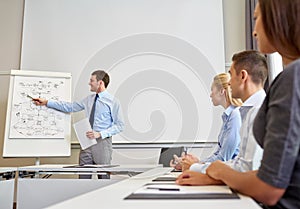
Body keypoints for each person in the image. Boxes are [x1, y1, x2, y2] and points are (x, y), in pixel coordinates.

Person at [203, 1, 300, 208]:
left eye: (257, 19)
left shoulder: (293, 78)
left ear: (279, 19)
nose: (254, 31)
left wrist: (219, 170)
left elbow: (269, 187)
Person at [176, 50, 268, 185]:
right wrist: (200, 167)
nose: (229, 83)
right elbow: (238, 163)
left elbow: (246, 169)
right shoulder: (249, 111)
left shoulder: (257, 112)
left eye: (231, 75)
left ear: (243, 76)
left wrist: (197, 167)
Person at [34, 70, 124, 178]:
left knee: (103, 179)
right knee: (83, 178)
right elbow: (69, 107)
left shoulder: (113, 102)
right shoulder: (88, 100)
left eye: (92, 80)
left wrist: (100, 134)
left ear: (100, 83)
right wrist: (46, 102)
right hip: (86, 142)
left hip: (102, 143)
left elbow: (120, 125)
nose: (89, 83)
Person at [170, 73, 243, 171]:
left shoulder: (235, 115)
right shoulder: (228, 117)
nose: (210, 94)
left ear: (221, 91)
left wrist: (194, 165)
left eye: (212, 90)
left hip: (230, 175)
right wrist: (194, 163)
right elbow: (218, 155)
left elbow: (224, 159)